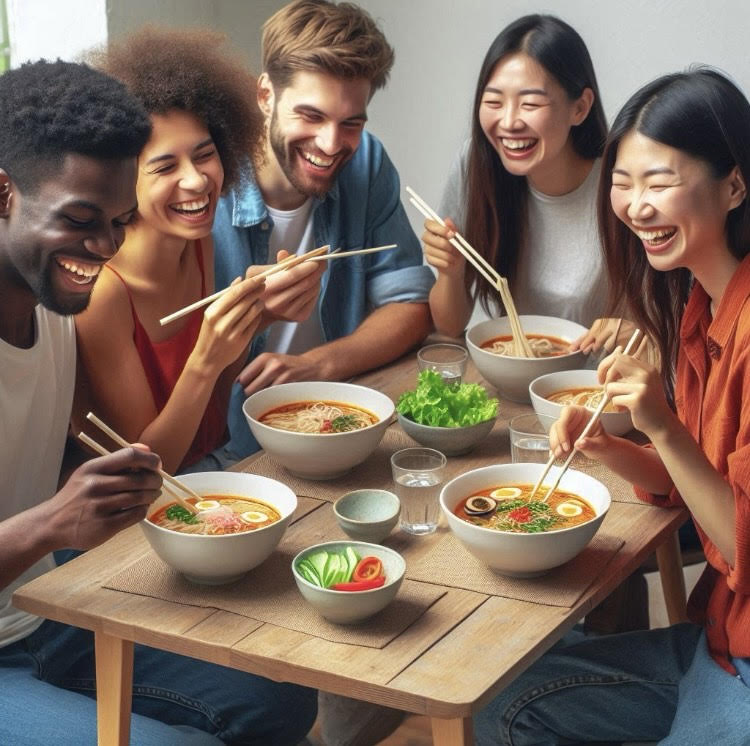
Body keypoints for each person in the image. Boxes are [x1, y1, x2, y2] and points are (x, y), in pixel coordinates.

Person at [0, 59, 316, 745]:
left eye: (117, 222)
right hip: (14, 637)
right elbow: (57, 512)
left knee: (283, 703)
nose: (106, 247)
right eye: (82, 220)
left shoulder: (60, 305)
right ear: (4, 194)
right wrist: (48, 524)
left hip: (50, 608)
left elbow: (111, 453)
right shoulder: (81, 292)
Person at [474, 68, 750, 745]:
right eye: (623, 183)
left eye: (659, 182)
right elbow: (699, 485)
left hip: (743, 656)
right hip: (718, 634)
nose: (635, 206)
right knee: (499, 707)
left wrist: (658, 421)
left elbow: (741, 538)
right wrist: (611, 446)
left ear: (735, 185)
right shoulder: (701, 306)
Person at [212, 0, 435, 465]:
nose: (332, 145)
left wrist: (316, 366)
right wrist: (255, 316)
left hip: (341, 427)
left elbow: (411, 307)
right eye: (311, 116)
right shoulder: (206, 186)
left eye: (350, 123)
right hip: (229, 454)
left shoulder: (367, 162)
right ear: (266, 95)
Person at [73, 28, 275, 475]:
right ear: (120, 182)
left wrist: (258, 316)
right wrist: (205, 359)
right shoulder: (102, 294)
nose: (197, 180)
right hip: (124, 527)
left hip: (209, 477)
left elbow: (210, 426)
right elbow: (149, 470)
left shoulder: (195, 239)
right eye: (165, 166)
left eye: (204, 155)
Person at [422, 14, 631, 353]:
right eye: (493, 102)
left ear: (580, 107)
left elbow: (660, 323)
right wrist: (449, 271)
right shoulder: (476, 164)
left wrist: (636, 331)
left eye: (530, 103)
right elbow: (449, 325)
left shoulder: (620, 182)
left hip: (596, 387)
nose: (508, 122)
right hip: (509, 378)